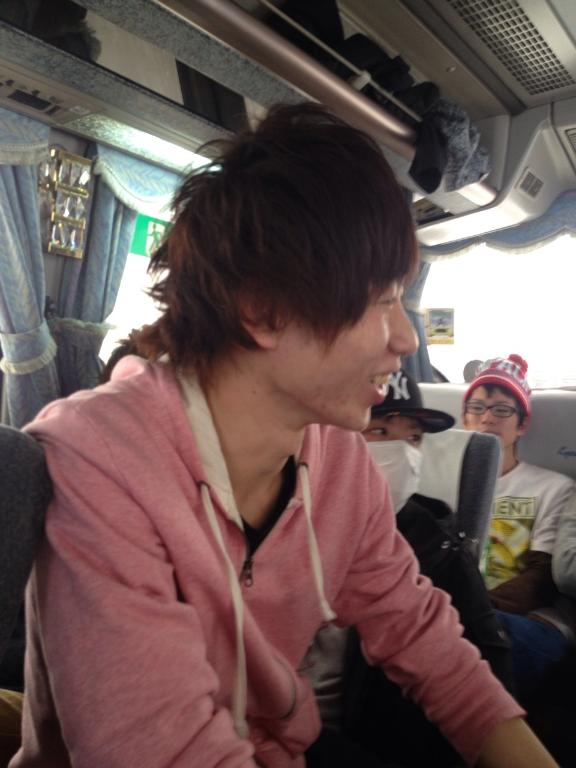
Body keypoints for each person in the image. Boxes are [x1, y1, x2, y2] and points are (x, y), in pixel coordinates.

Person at [14, 105, 553, 768]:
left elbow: (422, 635)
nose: (406, 340)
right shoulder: (99, 459)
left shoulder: (341, 460)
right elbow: (159, 748)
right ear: (264, 310)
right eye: (382, 299)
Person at [304, 370, 514, 767]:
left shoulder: (441, 556)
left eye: (414, 438)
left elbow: (474, 680)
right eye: (379, 431)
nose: (401, 453)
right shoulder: (277, 519)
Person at [462, 354, 576, 702]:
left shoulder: (553, 487)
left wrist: (469, 612)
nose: (486, 418)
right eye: (477, 408)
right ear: (465, 418)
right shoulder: (445, 481)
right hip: (462, 614)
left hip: (534, 620)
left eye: (501, 410)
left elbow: (541, 579)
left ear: (522, 424)